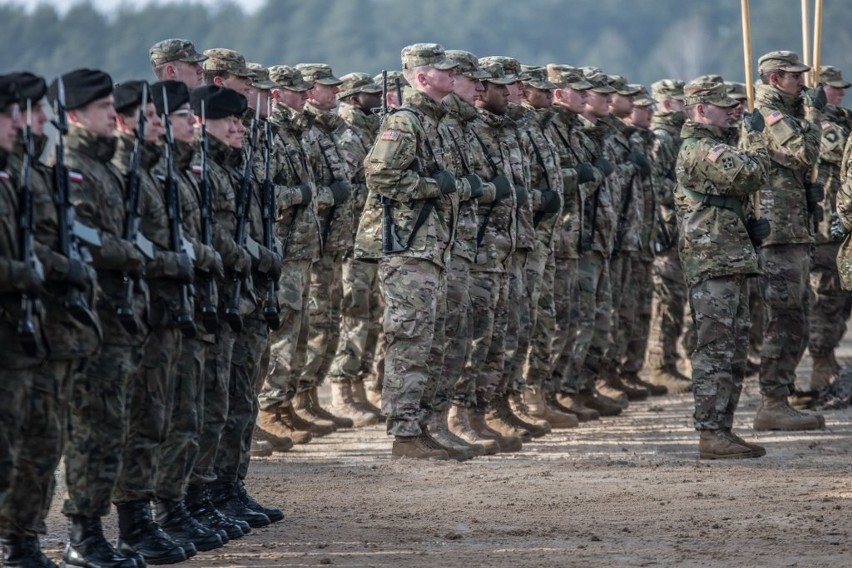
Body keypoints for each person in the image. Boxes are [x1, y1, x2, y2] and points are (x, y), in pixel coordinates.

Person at [51, 68, 148, 568]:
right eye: (101, 107)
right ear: (74, 116)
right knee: (93, 431)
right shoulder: (71, 166)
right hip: (91, 318)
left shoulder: (104, 165)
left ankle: (99, 532)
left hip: (117, 315)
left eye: (113, 105)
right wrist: (131, 252)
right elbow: (83, 236)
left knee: (113, 428)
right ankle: (82, 536)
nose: (113, 113)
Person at [354, 43, 461, 459]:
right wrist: (430, 188)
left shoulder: (434, 120)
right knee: (410, 338)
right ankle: (404, 434)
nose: (452, 76)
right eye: (443, 70)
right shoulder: (405, 121)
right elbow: (378, 174)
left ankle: (417, 427)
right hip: (408, 245)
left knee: (427, 339)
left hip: (429, 244)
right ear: (421, 78)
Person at [109, 79, 197, 565]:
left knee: (165, 416)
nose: (163, 124)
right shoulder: (123, 170)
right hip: (131, 311)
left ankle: (164, 509)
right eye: (155, 116)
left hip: (162, 307)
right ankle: (129, 523)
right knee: (135, 421)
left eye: (166, 117)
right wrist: (167, 258)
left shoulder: (154, 170)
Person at [148, 79, 230, 551]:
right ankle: (146, 516)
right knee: (154, 420)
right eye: (176, 117)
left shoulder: (185, 172)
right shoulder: (152, 173)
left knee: (201, 411)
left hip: (200, 304)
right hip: (156, 312)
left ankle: (198, 498)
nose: (183, 125)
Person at [674, 79, 769, 458]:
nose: (734, 110)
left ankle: (723, 429)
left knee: (735, 346)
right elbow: (752, 174)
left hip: (730, 257)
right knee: (715, 348)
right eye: (724, 105)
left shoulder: (716, 146)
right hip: (712, 262)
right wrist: (757, 140)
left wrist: (748, 224)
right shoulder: (699, 150)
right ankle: (710, 431)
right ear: (700, 109)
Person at [752, 51, 825, 430]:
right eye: (795, 77)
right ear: (775, 78)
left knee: (797, 316)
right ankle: (772, 402)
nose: (803, 83)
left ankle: (781, 394)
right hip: (778, 234)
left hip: (793, 229)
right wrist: (813, 116)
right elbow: (805, 150)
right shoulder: (769, 113)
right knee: (783, 319)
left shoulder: (788, 111)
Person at [293, 63, 359, 428]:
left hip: (329, 241)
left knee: (328, 321)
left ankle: (306, 398)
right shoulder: (304, 131)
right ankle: (288, 402)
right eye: (325, 87)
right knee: (310, 322)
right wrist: (326, 196)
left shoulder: (328, 130)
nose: (333, 93)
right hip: (307, 241)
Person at [326, 72, 385, 425]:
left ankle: (360, 384)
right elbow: (352, 190)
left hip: (371, 236)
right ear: (351, 98)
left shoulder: (369, 129)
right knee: (354, 312)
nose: (375, 98)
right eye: (367, 94)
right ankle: (342, 389)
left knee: (371, 313)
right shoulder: (348, 134)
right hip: (353, 237)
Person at [806, 66, 852, 390]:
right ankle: (820, 362)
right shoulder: (818, 124)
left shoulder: (839, 119)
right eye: (834, 89)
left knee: (840, 296)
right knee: (827, 294)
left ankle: (829, 355)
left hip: (839, 219)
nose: (841, 93)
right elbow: (837, 149)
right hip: (824, 224)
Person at [647, 79, 693, 394]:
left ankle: (674, 361)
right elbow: (655, 183)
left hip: (680, 228)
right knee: (667, 301)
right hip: (666, 229)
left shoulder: (681, 136)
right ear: (665, 104)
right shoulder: (662, 139)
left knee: (678, 301)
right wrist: (686, 192)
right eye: (679, 102)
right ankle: (661, 365)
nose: (685, 108)